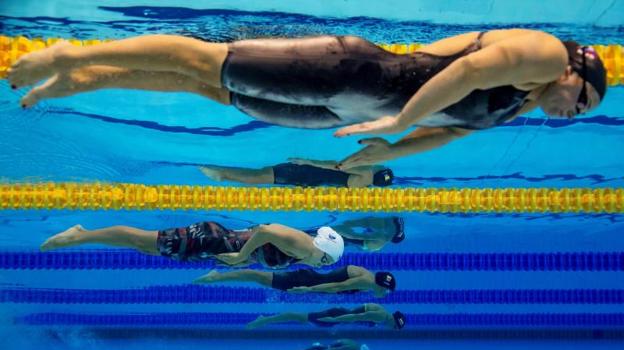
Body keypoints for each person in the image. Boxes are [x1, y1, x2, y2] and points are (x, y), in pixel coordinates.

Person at [9, 30, 605, 164]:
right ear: (576, 70)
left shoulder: (523, 103)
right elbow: (468, 73)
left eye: (580, 117)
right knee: (206, 59)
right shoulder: (546, 55)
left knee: (213, 91)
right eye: (580, 101)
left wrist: (378, 155)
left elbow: (449, 130)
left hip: (342, 115)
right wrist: (401, 117)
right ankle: (70, 55)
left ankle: (90, 80)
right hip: (355, 74)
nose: (571, 114)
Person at [39, 222, 344, 269]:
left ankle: (82, 235)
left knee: (147, 247)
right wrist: (241, 255)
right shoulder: (303, 246)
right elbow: (265, 230)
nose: (322, 266)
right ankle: (79, 235)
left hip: (212, 244)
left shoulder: (304, 252)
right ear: (322, 249)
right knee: (144, 241)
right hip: (210, 239)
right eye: (326, 261)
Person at [193, 265, 396, 297]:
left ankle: (218, 275)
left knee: (258, 277)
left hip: (309, 275)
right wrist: (307, 291)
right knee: (256, 277)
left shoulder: (368, 274)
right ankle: (215, 277)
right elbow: (336, 286)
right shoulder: (365, 282)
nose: (384, 295)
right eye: (385, 292)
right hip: (305, 281)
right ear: (379, 285)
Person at [199, 158, 394, 187]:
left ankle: (221, 174)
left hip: (304, 172)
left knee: (260, 175)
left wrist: (306, 160)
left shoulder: (365, 172)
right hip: (308, 182)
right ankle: (222, 174)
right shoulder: (364, 185)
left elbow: (335, 165)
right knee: (261, 176)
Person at [246, 303, 406, 330]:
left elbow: (355, 316)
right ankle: (264, 319)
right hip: (337, 316)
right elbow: (353, 317)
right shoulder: (381, 317)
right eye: (395, 327)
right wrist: (334, 320)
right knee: (299, 317)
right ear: (394, 321)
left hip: (338, 316)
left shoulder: (382, 315)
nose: (392, 329)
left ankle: (266, 320)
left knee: (301, 318)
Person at [328, 216, 405, 251]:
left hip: (366, 243)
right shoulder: (384, 236)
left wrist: (339, 230)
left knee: (346, 239)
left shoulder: (382, 237)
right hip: (370, 244)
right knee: (347, 239)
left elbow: (356, 236)